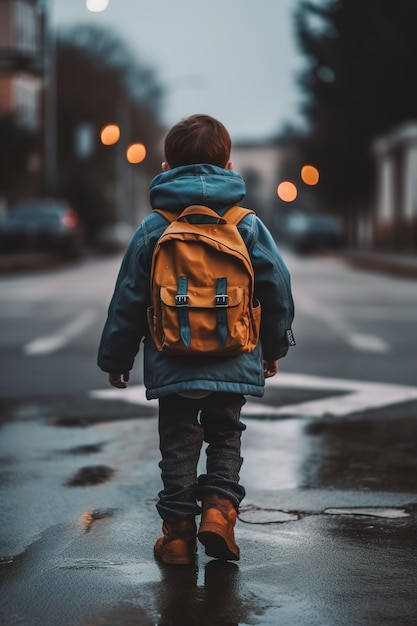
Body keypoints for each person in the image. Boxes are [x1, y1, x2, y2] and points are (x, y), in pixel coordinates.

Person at [97, 114, 295, 565]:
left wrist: (117, 357)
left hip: (173, 357)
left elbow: (128, 297)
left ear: (167, 164)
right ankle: (220, 513)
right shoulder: (246, 224)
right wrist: (274, 346)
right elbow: (276, 286)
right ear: (226, 163)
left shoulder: (154, 227)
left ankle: (178, 536)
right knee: (226, 435)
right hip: (235, 353)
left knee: (178, 445)